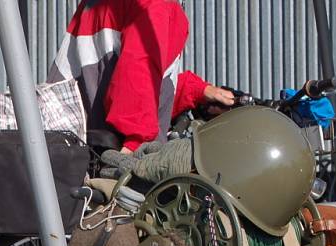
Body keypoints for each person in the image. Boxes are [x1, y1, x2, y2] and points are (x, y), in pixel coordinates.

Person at [47, 0, 234, 153]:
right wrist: (138, 145)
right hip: (98, 157)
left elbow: (108, 79)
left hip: (62, 147)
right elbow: (136, 78)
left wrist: (195, 92)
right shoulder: (155, 5)